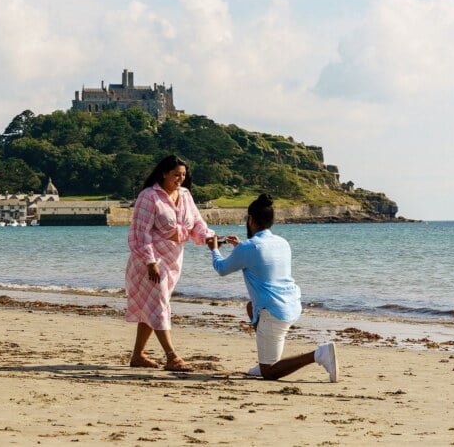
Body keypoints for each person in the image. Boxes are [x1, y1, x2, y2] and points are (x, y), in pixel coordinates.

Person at [206, 194, 339, 382]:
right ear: (271, 221)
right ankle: (267, 358)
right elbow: (262, 260)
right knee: (251, 307)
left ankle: (318, 354)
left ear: (250, 220)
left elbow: (221, 268)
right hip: (292, 305)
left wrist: (214, 249)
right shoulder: (282, 242)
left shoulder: (248, 247)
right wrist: (239, 246)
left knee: (268, 373)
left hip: (274, 312)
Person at [125, 155, 215, 371]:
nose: (180, 179)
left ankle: (138, 355)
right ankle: (172, 357)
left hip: (173, 259)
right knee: (159, 304)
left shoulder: (185, 195)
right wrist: (150, 261)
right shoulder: (149, 196)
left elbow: (197, 223)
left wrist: (211, 238)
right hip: (150, 260)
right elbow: (140, 233)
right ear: (164, 173)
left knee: (153, 304)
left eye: (183, 175)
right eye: (176, 174)